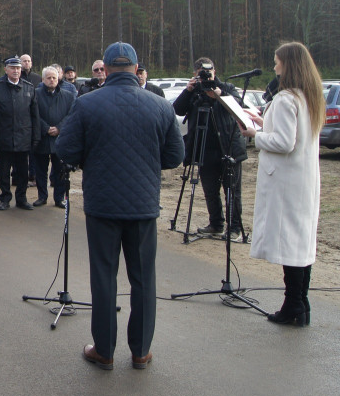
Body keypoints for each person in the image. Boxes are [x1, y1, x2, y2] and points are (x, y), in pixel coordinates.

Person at [55, 41, 183, 371]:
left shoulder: (87, 104)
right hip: (142, 205)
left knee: (104, 277)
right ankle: (140, 351)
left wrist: (92, 159)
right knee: (143, 279)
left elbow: (65, 149)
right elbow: (174, 157)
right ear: (136, 69)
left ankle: (105, 350)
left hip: (103, 205)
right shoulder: (159, 106)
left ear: (107, 69)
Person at [241, 42, 324, 326]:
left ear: (288, 65)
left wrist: (255, 134)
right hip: (302, 179)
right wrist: (263, 121)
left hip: (288, 181)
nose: (275, 67)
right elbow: (294, 135)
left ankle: (294, 306)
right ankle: (301, 302)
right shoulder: (307, 97)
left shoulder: (287, 98)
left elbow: (284, 142)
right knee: (301, 242)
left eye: (277, 62)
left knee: (290, 243)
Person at [172, 57, 248, 239]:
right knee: (210, 190)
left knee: (232, 190)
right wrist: (188, 90)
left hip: (228, 148)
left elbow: (239, 105)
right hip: (204, 148)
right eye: (201, 74)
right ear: (194, 74)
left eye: (209, 72)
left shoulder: (226, 88)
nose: (206, 77)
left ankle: (235, 228)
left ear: (215, 71)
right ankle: (216, 224)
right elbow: (178, 109)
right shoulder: (195, 91)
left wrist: (219, 94)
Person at [0, 56, 40, 210]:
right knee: (4, 171)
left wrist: (35, 137)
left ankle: (21, 199)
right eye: (12, 68)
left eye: (18, 68)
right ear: (6, 69)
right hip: (4, 138)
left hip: (24, 138)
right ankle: (5, 198)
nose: (16, 71)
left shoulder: (29, 88)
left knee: (23, 172)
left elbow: (35, 116)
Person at [33, 66, 75, 207]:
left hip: (60, 139)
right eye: (49, 78)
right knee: (40, 171)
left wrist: (59, 128)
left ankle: (59, 198)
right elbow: (33, 114)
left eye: (54, 78)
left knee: (60, 171)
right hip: (42, 138)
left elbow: (70, 115)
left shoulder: (68, 96)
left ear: (58, 79)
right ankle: (42, 196)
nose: (52, 80)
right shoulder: (35, 94)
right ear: (43, 79)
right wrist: (45, 128)